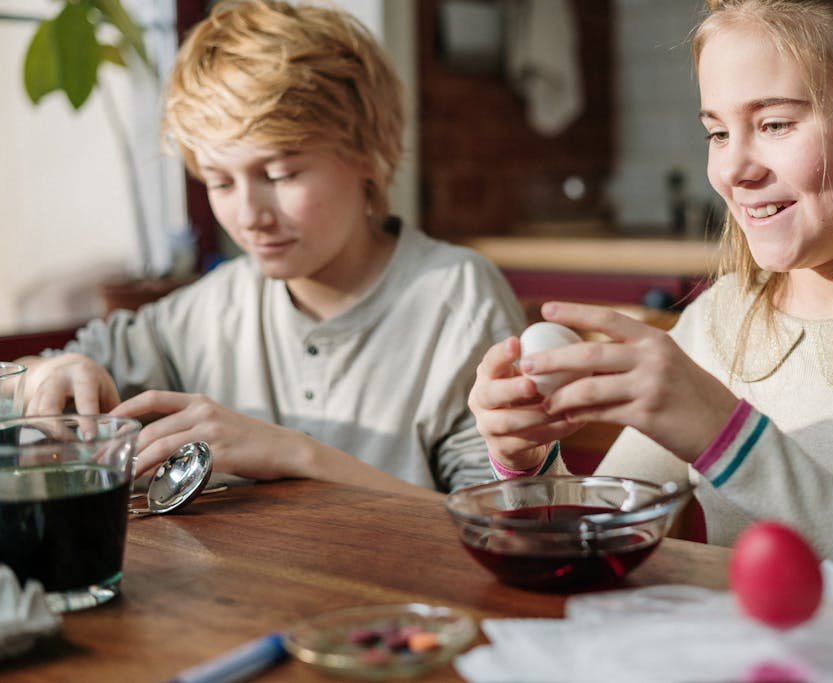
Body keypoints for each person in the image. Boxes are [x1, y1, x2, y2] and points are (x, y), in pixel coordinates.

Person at [468, 0, 833, 591]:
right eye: (716, 132)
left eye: (775, 123)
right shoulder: (722, 322)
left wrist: (725, 437)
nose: (732, 169)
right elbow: (603, 536)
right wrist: (526, 464)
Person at [19, 0, 525, 496]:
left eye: (280, 174)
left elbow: (493, 523)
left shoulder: (458, 298)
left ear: (366, 154)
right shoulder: (213, 308)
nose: (249, 216)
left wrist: (296, 455)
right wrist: (47, 373)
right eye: (219, 182)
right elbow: (36, 378)